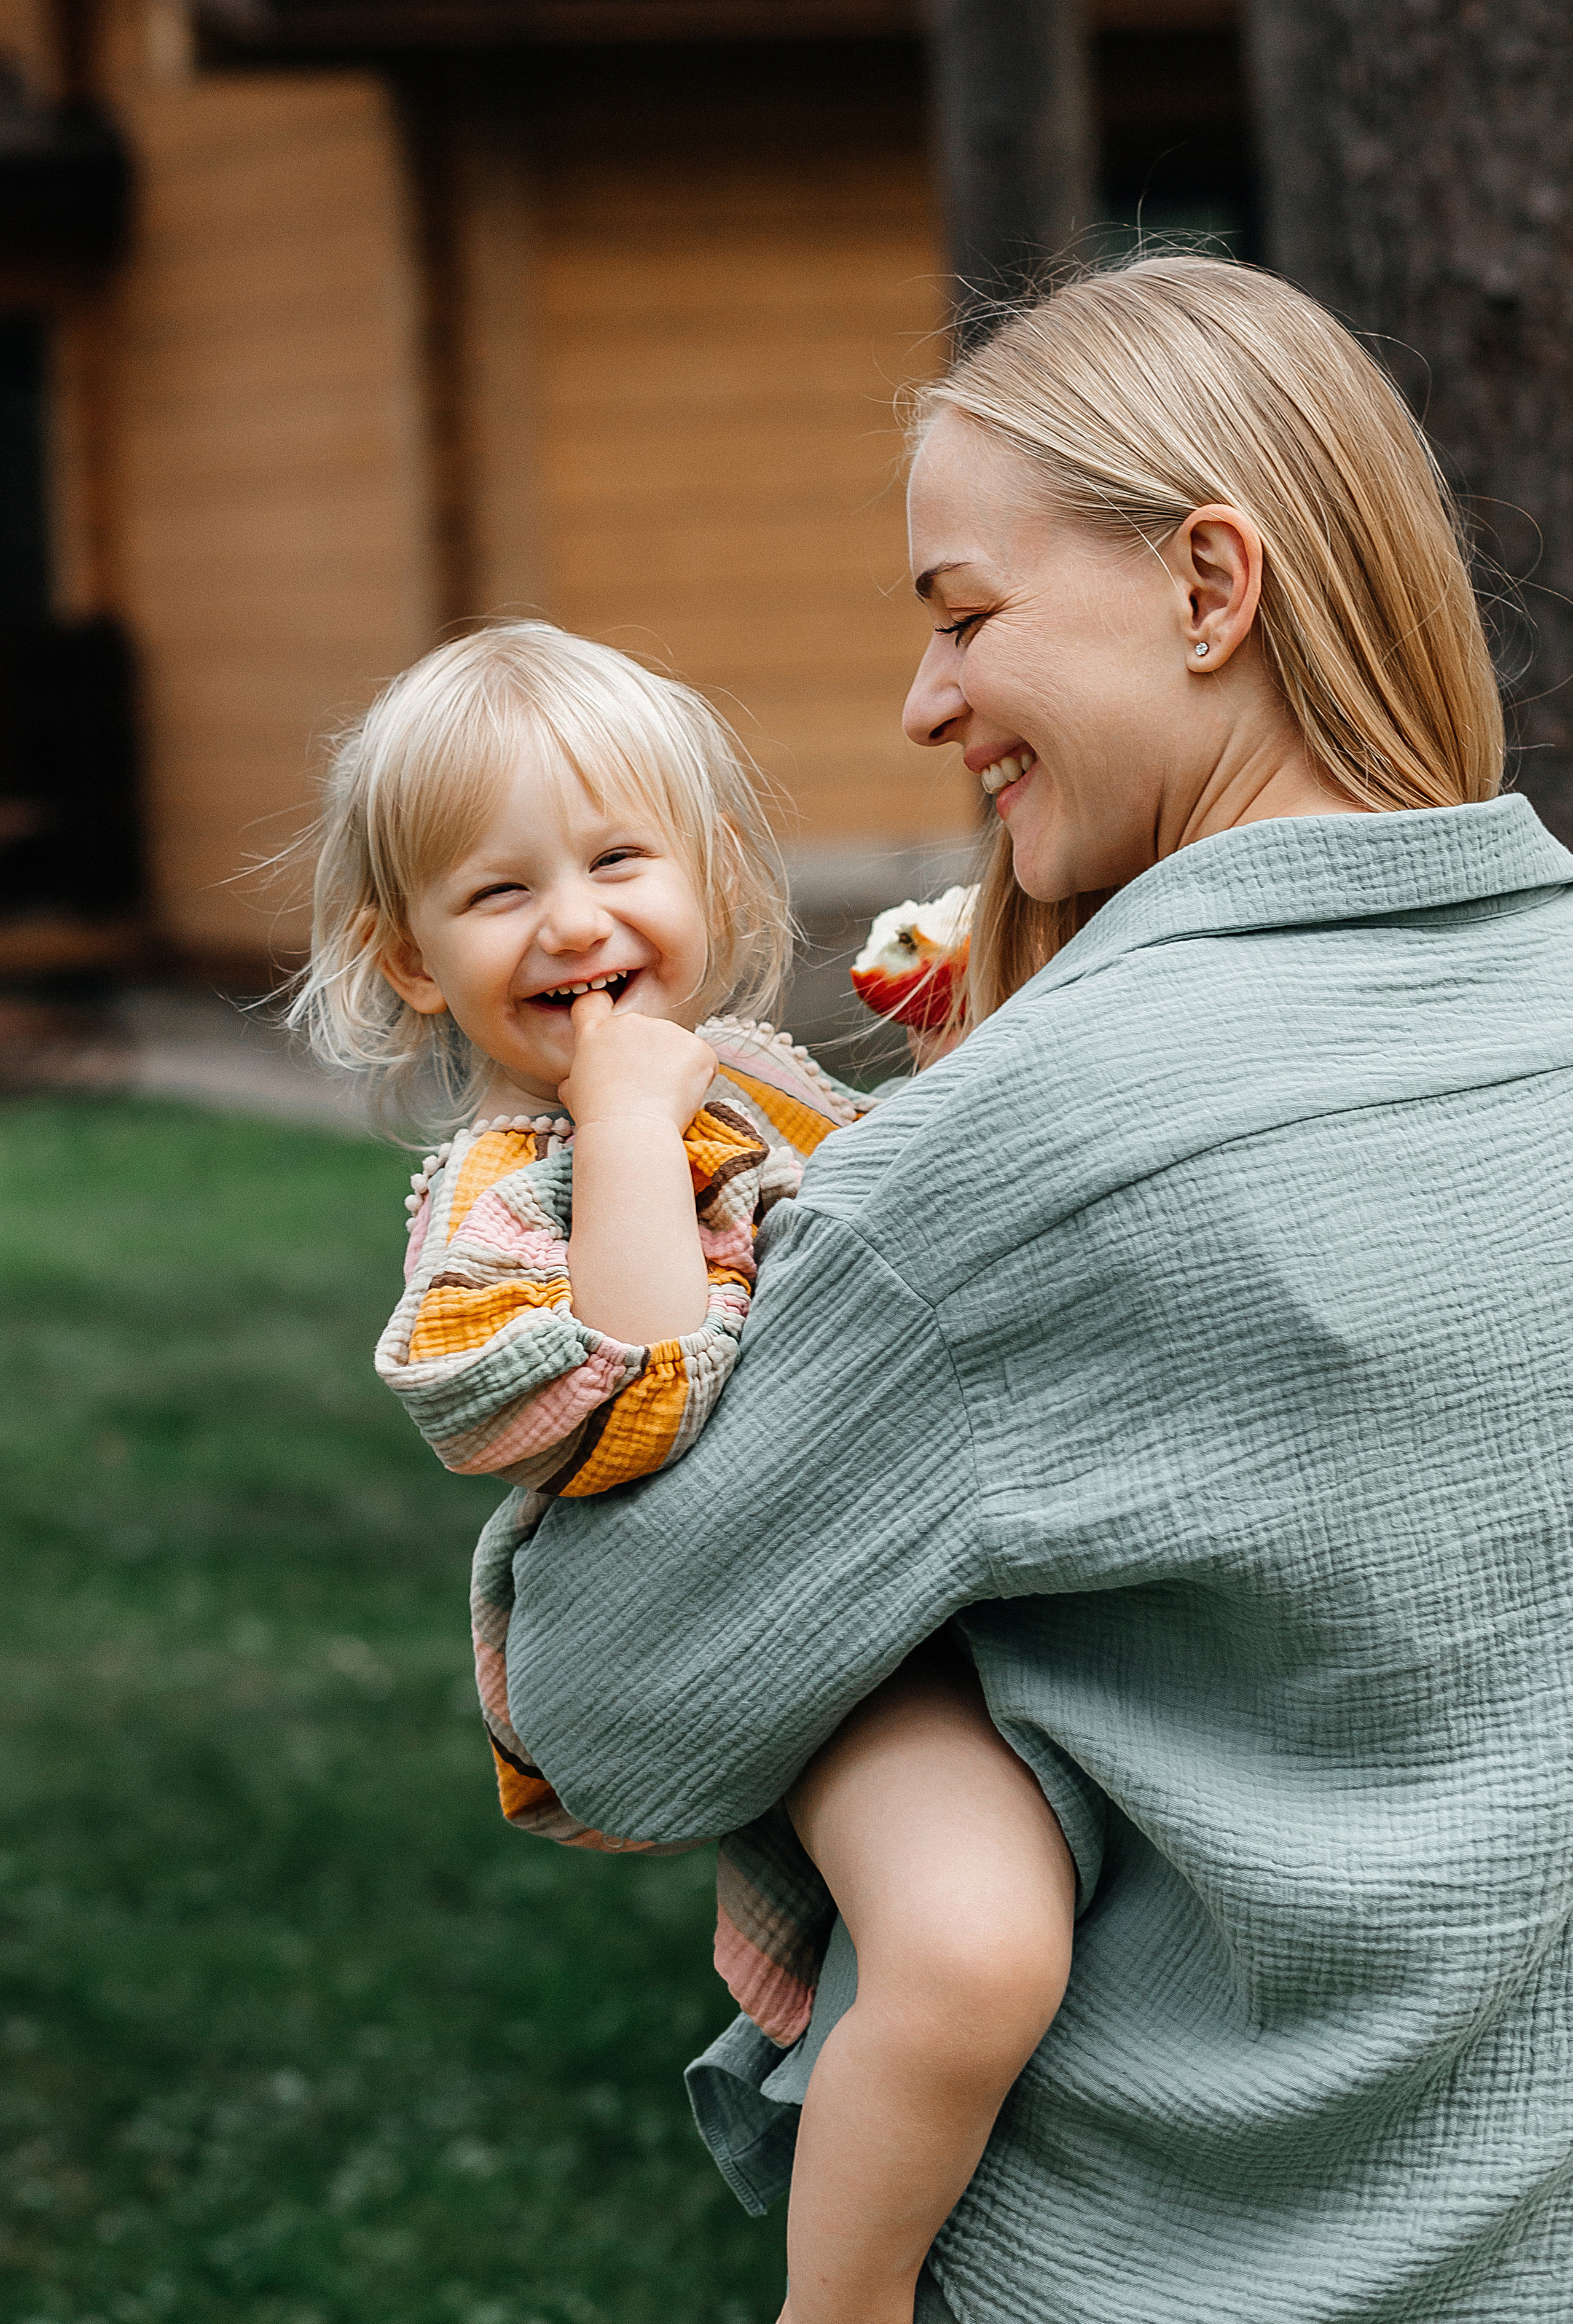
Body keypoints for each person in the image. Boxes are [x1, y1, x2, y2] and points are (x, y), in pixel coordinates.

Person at [495, 255, 1573, 2324]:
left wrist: (869, 1639)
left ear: (1208, 587)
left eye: (966, 617)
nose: (924, 701)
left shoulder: (1045, 1145)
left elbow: (616, 1702)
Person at [288, 622, 1081, 2318]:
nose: (573, 921)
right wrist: (634, 1128)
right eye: (498, 894)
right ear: (413, 959)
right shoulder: (509, 1181)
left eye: (617, 860)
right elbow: (630, 1397)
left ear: (712, 880)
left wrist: (943, 1072)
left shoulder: (759, 1083)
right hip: (793, 1631)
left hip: (919, 1565)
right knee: (970, 1951)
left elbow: (892, 1250)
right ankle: (844, 2302)